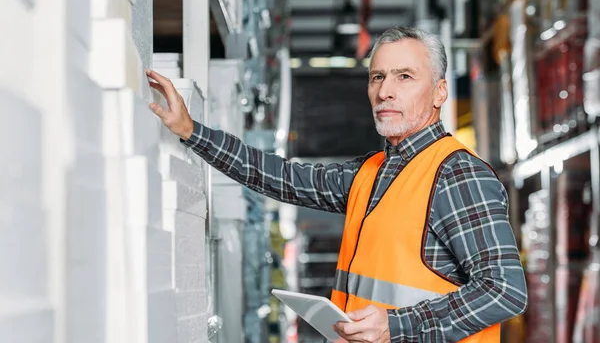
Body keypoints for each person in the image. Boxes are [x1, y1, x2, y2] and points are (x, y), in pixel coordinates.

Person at [147, 26, 528, 342]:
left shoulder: (457, 175)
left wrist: (397, 325)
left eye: (405, 77)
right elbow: (282, 178)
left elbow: (505, 290)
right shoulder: (373, 172)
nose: (385, 91)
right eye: (377, 77)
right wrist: (191, 132)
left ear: (440, 92)